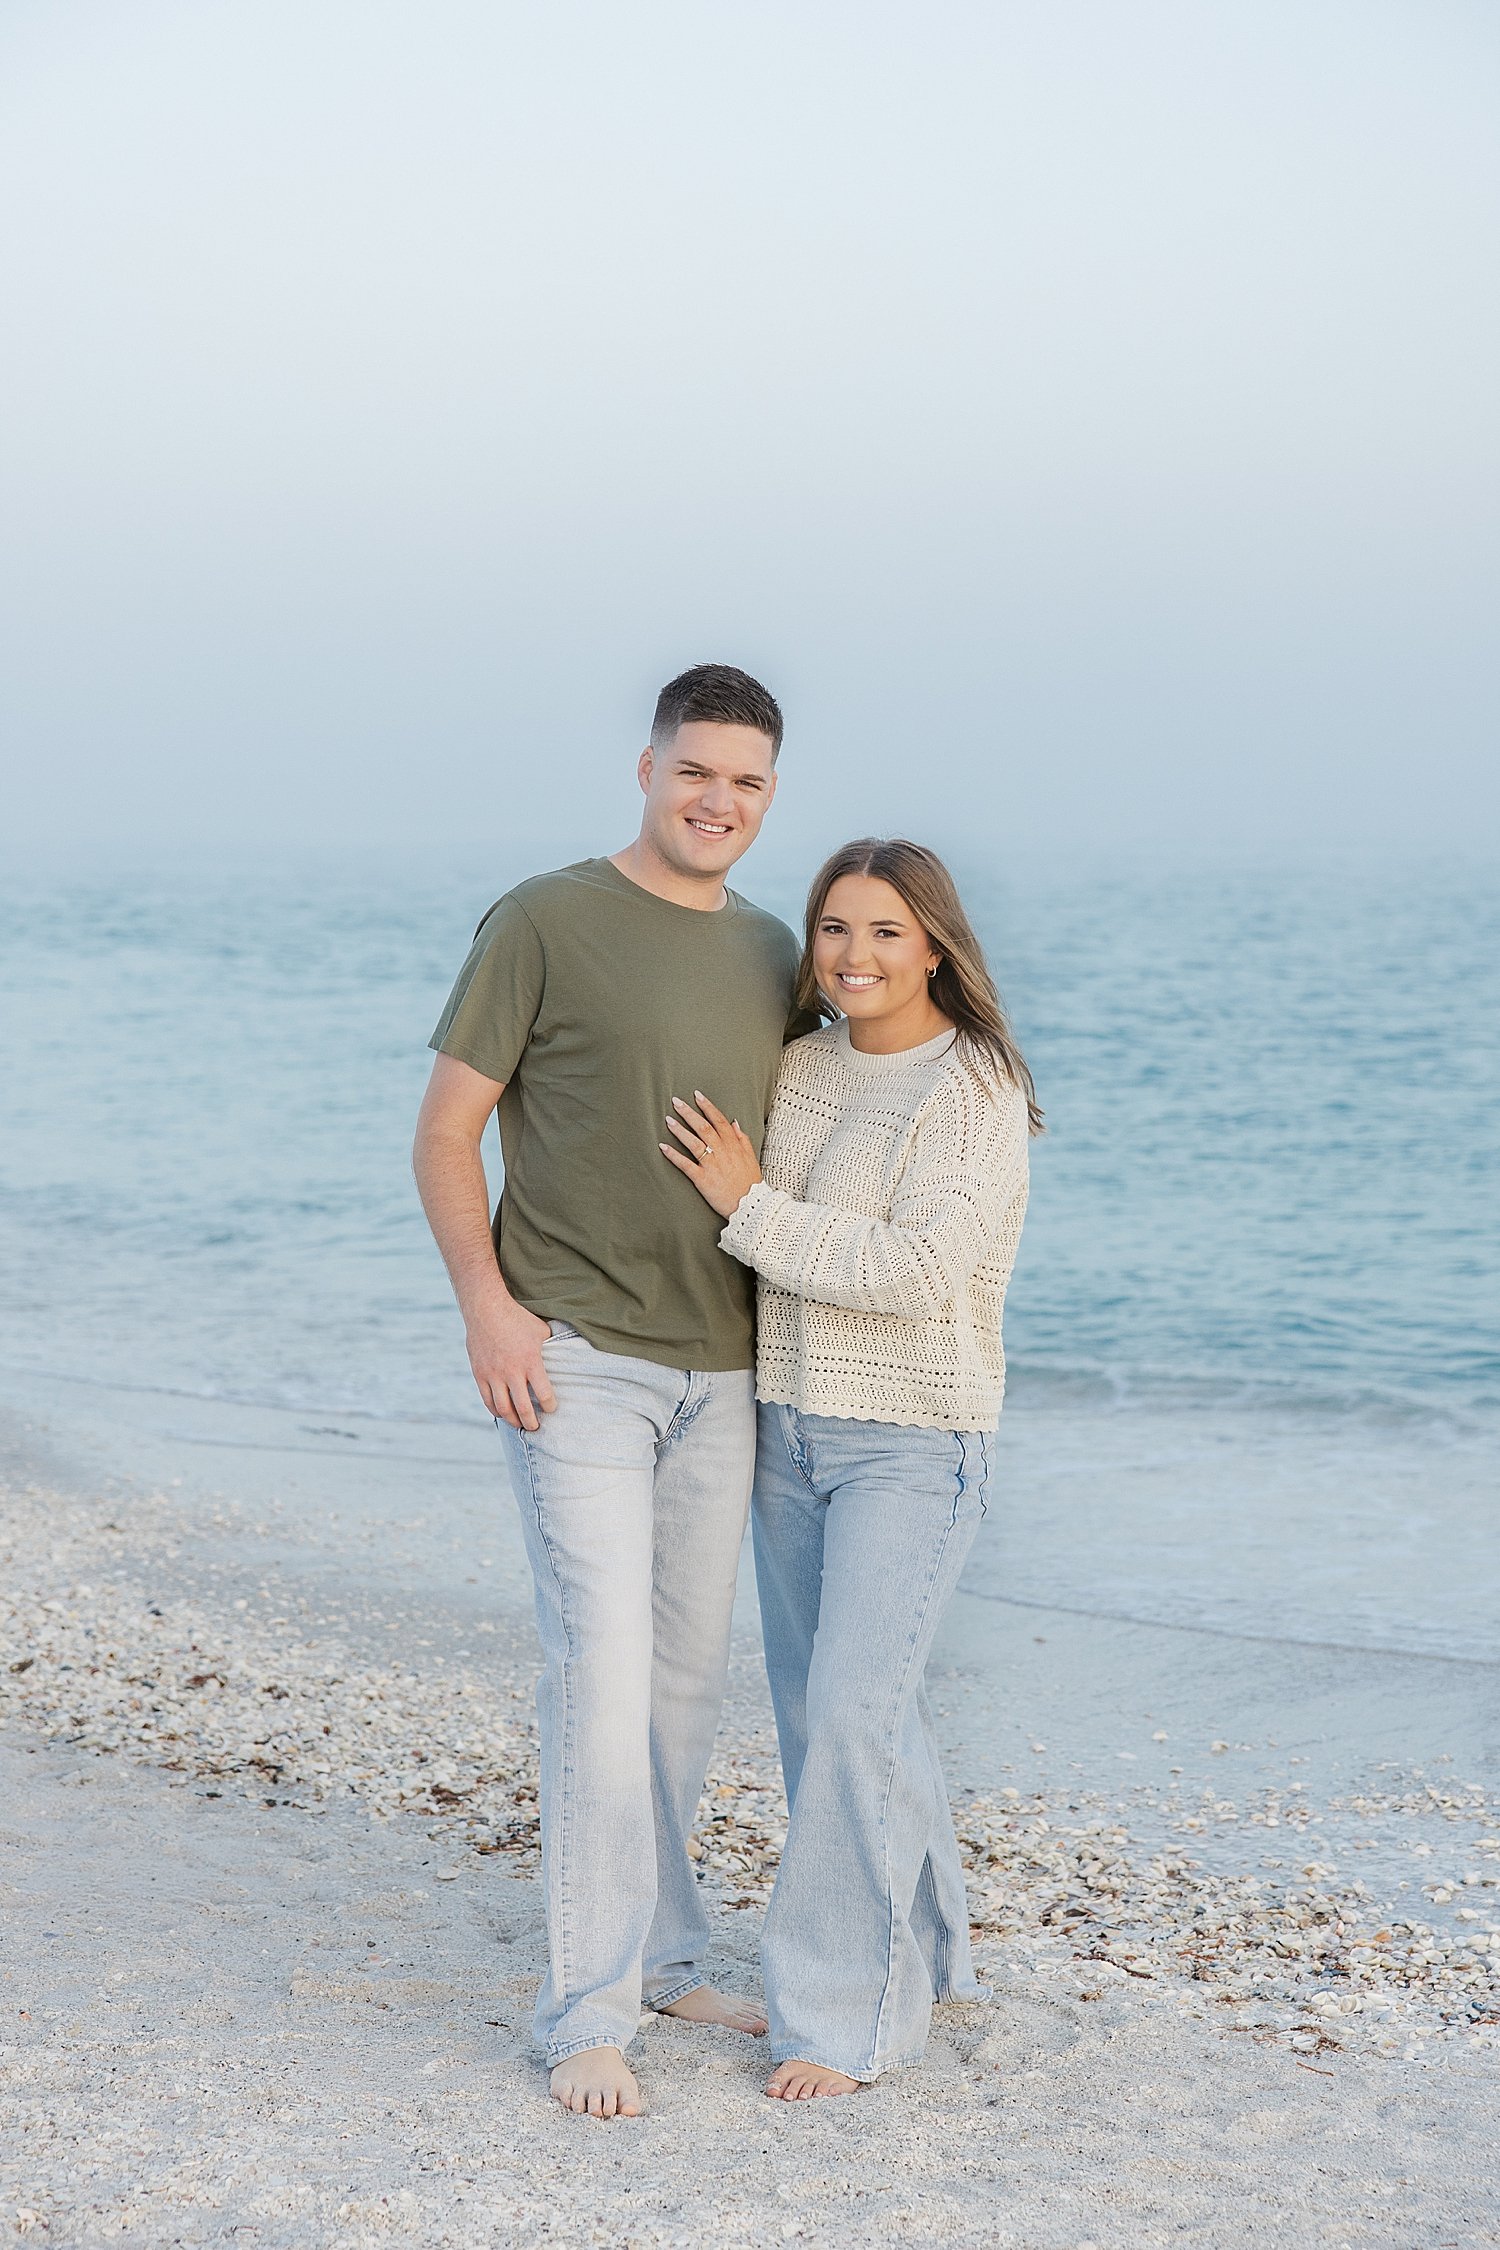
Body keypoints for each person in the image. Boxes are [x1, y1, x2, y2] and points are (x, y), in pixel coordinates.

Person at [413, 664, 811, 2119]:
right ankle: (583, 2011)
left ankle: (662, 1954)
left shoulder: (777, 950)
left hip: (725, 1372)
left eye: (749, 782)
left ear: (773, 795)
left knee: (683, 1689)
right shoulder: (544, 917)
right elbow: (450, 1128)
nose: (719, 801)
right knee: (601, 1679)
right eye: (696, 770)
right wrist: (489, 1313)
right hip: (574, 1357)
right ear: (647, 767)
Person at [659, 837, 1040, 2099]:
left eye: (885, 931)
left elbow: (916, 1271)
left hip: (914, 1447)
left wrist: (750, 1207)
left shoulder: (974, 1088)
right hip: (789, 1431)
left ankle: (845, 2024)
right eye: (834, 929)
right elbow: (808, 1243)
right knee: (843, 1718)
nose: (856, 956)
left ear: (935, 943)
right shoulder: (804, 1068)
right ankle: (928, 1953)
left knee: (854, 1722)